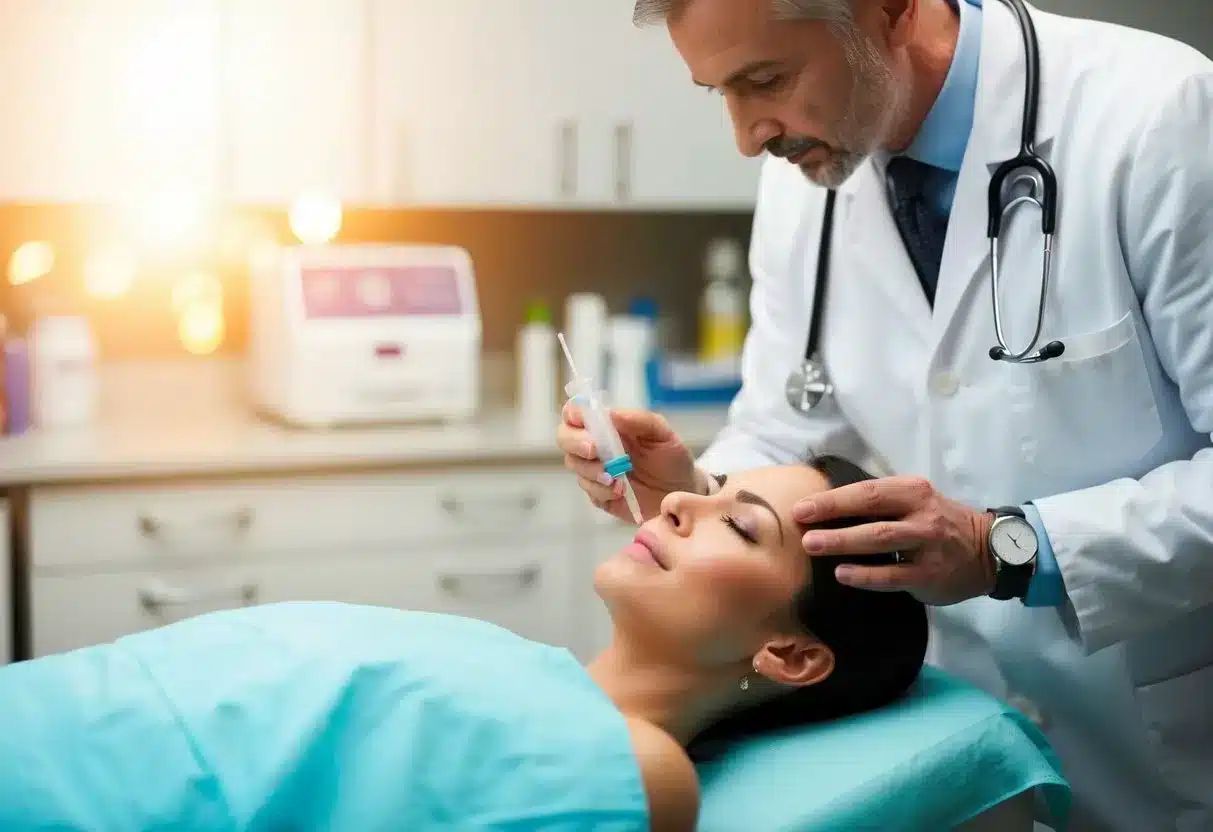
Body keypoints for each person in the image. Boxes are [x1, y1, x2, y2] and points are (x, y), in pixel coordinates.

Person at [558, 0, 1213, 828]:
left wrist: (1003, 547)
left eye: (765, 79)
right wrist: (695, 484)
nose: (747, 137)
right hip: (964, 736)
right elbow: (786, 424)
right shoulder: (809, 170)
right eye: (719, 91)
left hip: (1164, 736)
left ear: (891, 9)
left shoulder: (1159, 116)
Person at [0, 456, 928, 831]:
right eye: (714, 484)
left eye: (740, 524)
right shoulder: (525, 669)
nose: (681, 498)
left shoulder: (647, 771)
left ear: (789, 656)